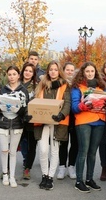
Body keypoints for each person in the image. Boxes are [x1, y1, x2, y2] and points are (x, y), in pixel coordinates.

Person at [71, 61, 106, 193]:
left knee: (93, 153)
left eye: (92, 71)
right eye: (87, 71)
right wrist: (84, 105)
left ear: (95, 73)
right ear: (83, 72)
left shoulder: (101, 88)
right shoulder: (77, 87)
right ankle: (79, 181)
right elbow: (74, 107)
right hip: (83, 121)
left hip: (99, 121)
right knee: (83, 151)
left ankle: (89, 178)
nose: (90, 74)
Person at [31, 61, 71, 190]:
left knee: (55, 151)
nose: (53, 72)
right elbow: (34, 102)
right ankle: (44, 174)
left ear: (59, 71)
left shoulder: (65, 85)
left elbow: (67, 103)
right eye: (51, 69)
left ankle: (50, 177)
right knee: (43, 150)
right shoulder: (41, 85)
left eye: (55, 69)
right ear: (48, 71)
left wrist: (61, 115)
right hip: (42, 122)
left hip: (57, 122)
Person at [0, 66, 29, 187]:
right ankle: (5, 174)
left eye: (14, 74)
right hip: (3, 122)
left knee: (13, 151)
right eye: (9, 74)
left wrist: (19, 110)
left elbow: (26, 109)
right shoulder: (2, 90)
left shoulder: (23, 90)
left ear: (18, 75)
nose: (12, 77)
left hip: (17, 123)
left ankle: (12, 176)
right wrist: (0, 107)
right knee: (4, 150)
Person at [56, 62, 77, 179]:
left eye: (72, 70)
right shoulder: (60, 84)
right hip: (63, 117)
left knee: (75, 143)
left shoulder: (77, 85)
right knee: (63, 142)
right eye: (67, 70)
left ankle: (71, 166)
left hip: (75, 117)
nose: (69, 72)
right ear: (63, 71)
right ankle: (62, 166)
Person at [20, 63, 38, 180]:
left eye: (30, 71)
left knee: (32, 145)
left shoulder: (37, 87)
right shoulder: (16, 84)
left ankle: (27, 168)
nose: (28, 73)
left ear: (33, 74)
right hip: (18, 119)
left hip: (32, 119)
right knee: (18, 143)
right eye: (26, 70)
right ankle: (7, 168)